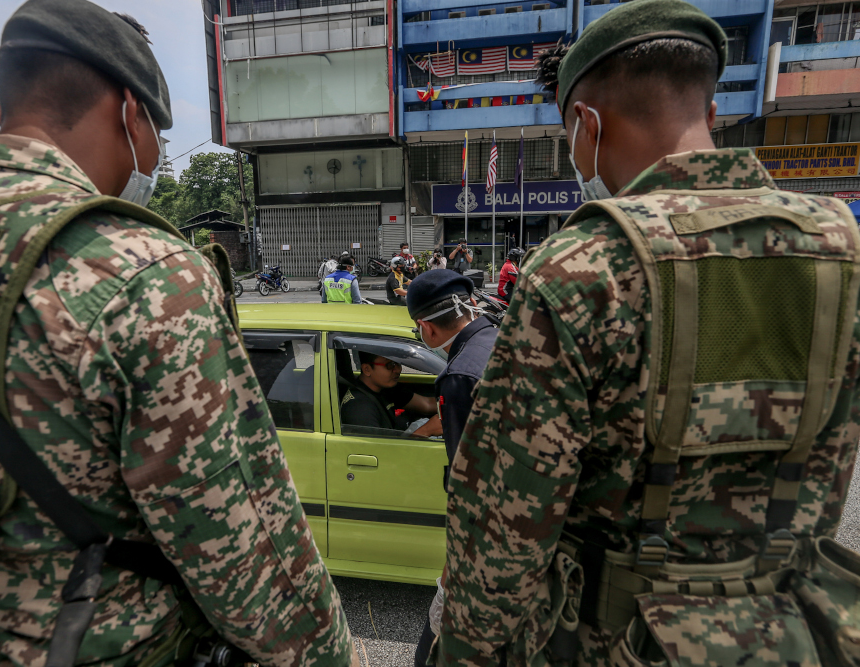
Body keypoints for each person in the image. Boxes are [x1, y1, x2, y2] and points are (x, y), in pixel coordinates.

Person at [0, 2, 358, 666]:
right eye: (158, 129)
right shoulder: (143, 271)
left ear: (7, 107)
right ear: (131, 112)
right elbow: (241, 549)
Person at [441, 1, 860, 665]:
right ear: (713, 115)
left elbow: (505, 529)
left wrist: (463, 651)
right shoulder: (840, 252)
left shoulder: (581, 271)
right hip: (792, 632)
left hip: (621, 639)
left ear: (585, 126)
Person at [405, 272, 499, 667]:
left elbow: (469, 480)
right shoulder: (494, 338)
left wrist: (454, 564)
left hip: (486, 543)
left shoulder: (459, 377)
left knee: (431, 650)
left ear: (425, 326)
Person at [340, 352, 442, 437]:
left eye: (398, 363)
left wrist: (454, 404)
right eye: (390, 365)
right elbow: (381, 455)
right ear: (367, 369)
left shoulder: (386, 388)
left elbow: (427, 404)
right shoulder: (360, 409)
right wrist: (425, 431)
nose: (398, 370)